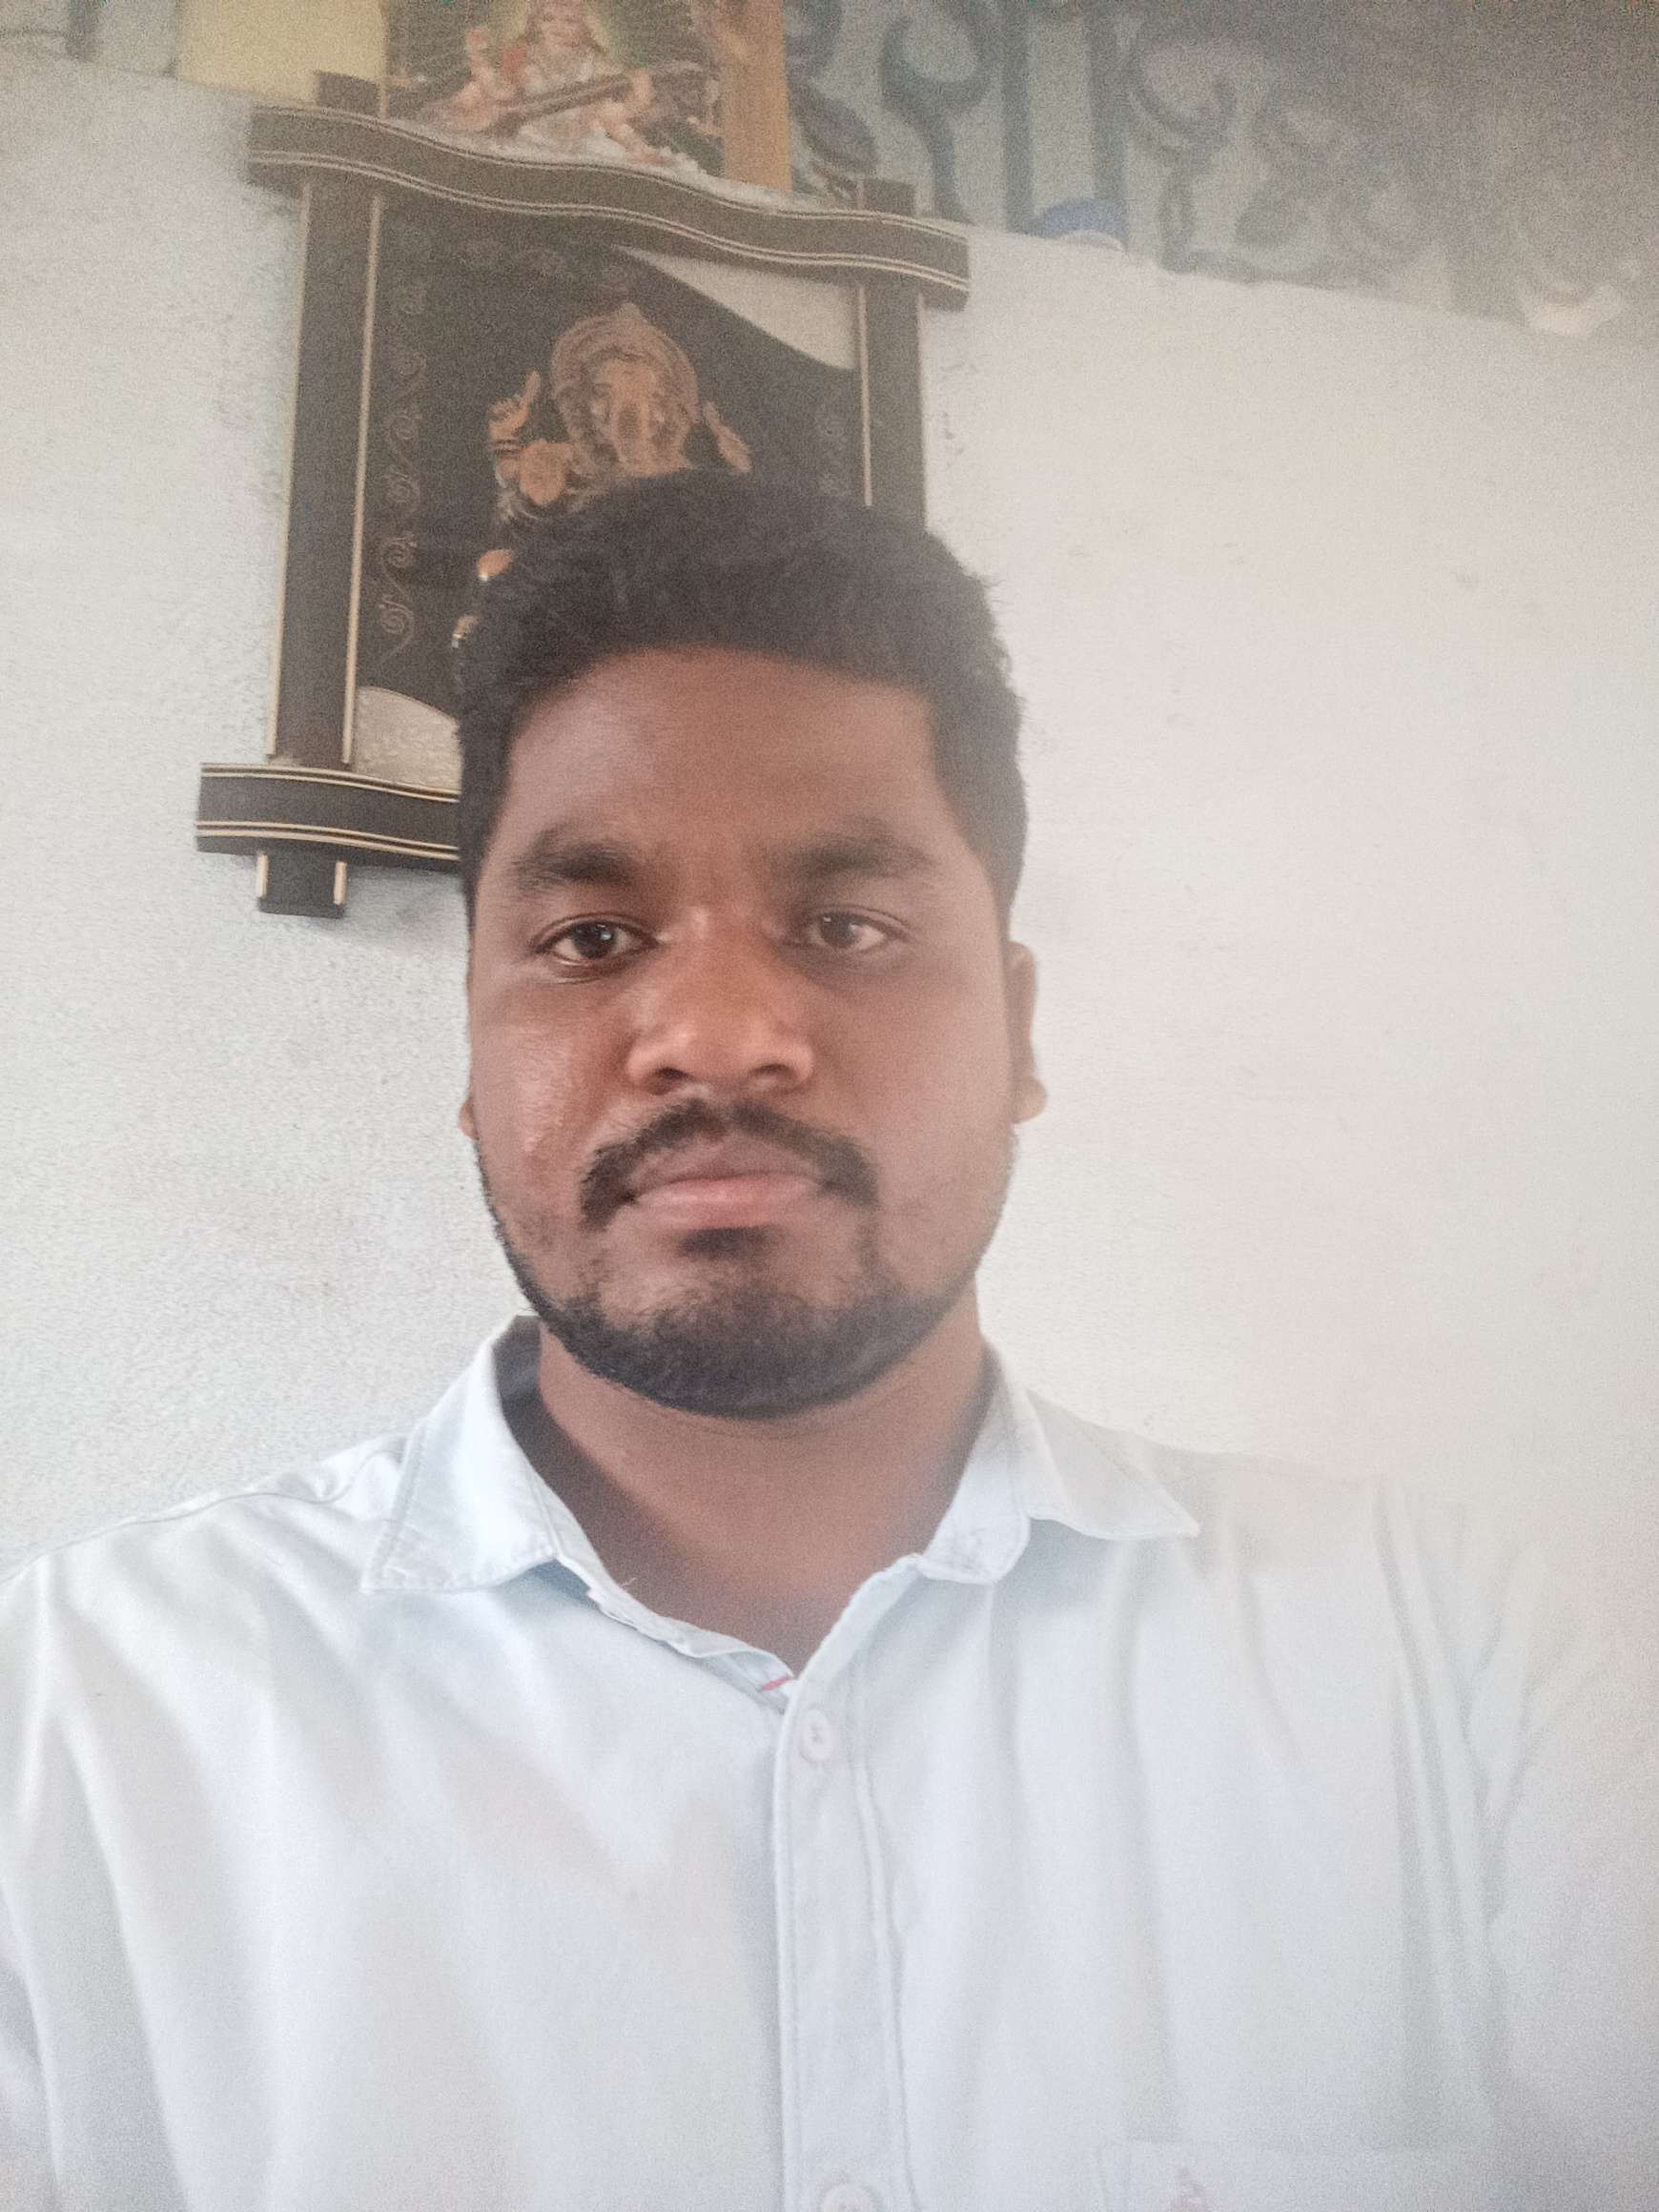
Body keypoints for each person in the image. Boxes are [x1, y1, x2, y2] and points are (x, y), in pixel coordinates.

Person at [1, 472, 1654, 2212]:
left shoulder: (1450, 1668)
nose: (719, 1036)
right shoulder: (74, 1724)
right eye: (591, 938)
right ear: (474, 1054)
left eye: (850, 927)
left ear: (1019, 1032)